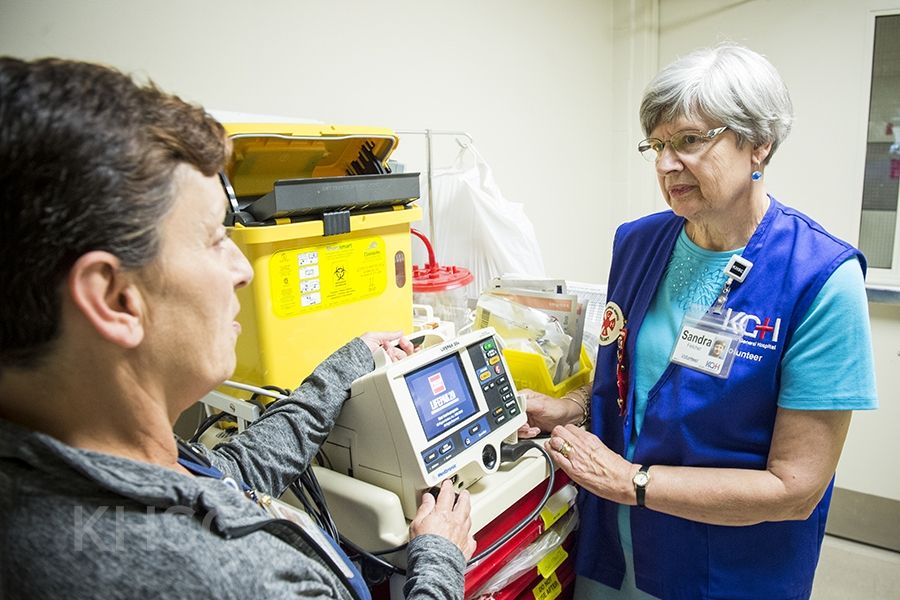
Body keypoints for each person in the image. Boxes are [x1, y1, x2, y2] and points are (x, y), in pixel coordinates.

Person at [0, 57, 474, 600]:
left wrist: (348, 363)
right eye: (212, 238)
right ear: (115, 298)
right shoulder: (245, 581)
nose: (244, 268)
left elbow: (226, 479)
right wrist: (439, 561)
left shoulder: (64, 465)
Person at [519, 44, 878, 599]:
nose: (665, 164)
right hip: (614, 546)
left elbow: (795, 488)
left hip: (727, 566)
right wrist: (571, 409)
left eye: (688, 141)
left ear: (759, 143)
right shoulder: (637, 242)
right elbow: (634, 380)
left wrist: (631, 481)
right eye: (657, 145)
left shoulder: (820, 278)